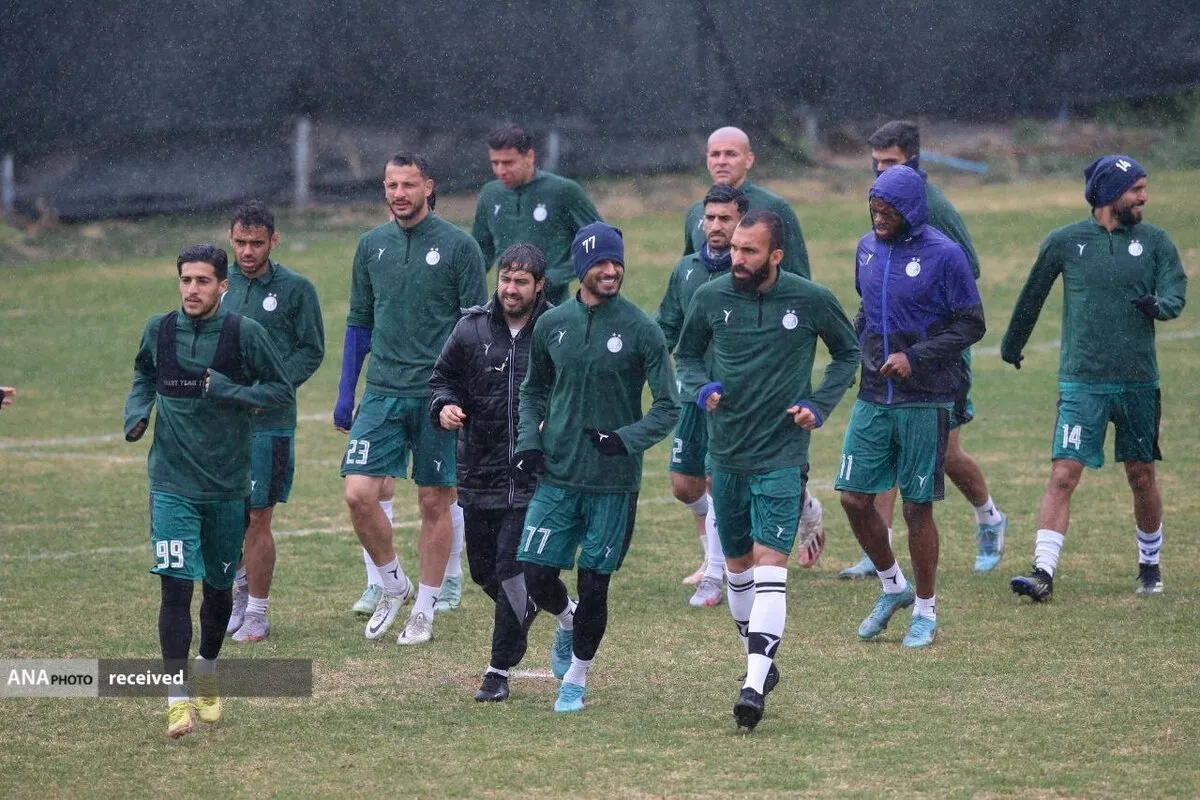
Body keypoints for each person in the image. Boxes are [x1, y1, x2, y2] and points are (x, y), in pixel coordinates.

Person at [676, 209, 859, 731]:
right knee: (738, 572)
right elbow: (686, 357)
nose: (736, 257)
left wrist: (818, 405)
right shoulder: (709, 297)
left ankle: (753, 687)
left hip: (782, 455)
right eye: (735, 247)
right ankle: (761, 659)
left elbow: (847, 354)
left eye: (748, 251)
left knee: (770, 568)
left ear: (775, 256)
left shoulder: (811, 299)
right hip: (727, 456)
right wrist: (701, 389)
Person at [123, 244, 293, 738]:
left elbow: (280, 392)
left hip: (226, 486)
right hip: (171, 485)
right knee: (175, 588)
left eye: (202, 281)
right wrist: (137, 412)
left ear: (223, 286)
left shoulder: (245, 334)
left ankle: (207, 670)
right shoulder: (159, 330)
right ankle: (176, 699)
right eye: (186, 280)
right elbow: (143, 374)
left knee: (217, 591)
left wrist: (228, 390)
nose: (192, 290)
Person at [1002, 155, 1187, 601]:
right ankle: (1042, 573)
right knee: (1064, 473)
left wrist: (1159, 306)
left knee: (1141, 476)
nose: (1144, 197)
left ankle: (1149, 564)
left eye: (1144, 188)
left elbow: (1176, 292)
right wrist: (1011, 345)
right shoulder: (1065, 241)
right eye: (1136, 189)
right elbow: (1032, 295)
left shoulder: (1156, 242)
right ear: (1109, 194)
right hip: (1081, 382)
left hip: (1138, 382)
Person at [513, 221, 678, 713]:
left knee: (594, 583)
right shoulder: (551, 324)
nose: (611, 271)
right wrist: (528, 442)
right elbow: (533, 391)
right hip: (557, 475)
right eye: (601, 262)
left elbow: (668, 406)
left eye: (616, 262)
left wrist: (624, 440)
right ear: (582, 267)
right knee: (536, 574)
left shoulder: (642, 330)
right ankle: (567, 620)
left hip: (612, 484)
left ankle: (576, 680)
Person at [839, 120, 1008, 578]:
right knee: (888, 449)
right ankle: (881, 551)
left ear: (914, 159)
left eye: (890, 162)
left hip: (938, 354)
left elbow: (966, 270)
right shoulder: (880, 214)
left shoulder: (934, 208)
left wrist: (922, 326)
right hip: (889, 361)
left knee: (947, 456)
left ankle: (989, 516)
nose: (881, 171)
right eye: (876, 164)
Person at [336, 152, 487, 646]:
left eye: (408, 184)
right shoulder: (370, 246)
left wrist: (465, 396)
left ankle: (425, 607)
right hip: (382, 391)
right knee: (358, 494)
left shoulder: (460, 247)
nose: (399, 194)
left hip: (436, 395)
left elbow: (476, 330)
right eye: (391, 185)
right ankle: (393, 584)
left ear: (429, 187)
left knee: (433, 501)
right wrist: (346, 392)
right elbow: (359, 323)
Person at [836, 166, 985, 651]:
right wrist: (857, 351)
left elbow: (972, 324)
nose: (878, 219)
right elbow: (866, 309)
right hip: (873, 395)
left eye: (888, 211)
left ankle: (925, 610)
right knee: (853, 498)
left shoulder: (945, 255)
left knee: (917, 507)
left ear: (912, 211)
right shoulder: (866, 248)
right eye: (874, 210)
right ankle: (892, 585)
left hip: (926, 397)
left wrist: (915, 357)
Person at [429, 242, 552, 702]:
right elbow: (442, 379)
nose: (510, 289)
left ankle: (497, 671)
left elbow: (576, 388)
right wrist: (444, 407)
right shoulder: (470, 328)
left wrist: (553, 422)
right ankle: (538, 607)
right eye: (505, 279)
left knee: (509, 566)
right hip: (479, 470)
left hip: (533, 475)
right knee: (483, 570)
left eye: (521, 281)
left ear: (539, 286)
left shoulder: (556, 330)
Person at [221, 201, 325, 643]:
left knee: (258, 516)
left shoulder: (296, 289)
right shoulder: (218, 283)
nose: (248, 252)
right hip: (223, 423)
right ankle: (239, 595)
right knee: (227, 516)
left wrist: (271, 389)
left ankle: (258, 612)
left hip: (270, 424)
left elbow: (311, 350)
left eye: (257, 243)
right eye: (240, 242)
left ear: (273, 241)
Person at [657, 183, 747, 606]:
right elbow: (667, 326)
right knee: (684, 484)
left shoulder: (749, 271)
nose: (715, 226)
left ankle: (715, 571)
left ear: (742, 222)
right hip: (691, 391)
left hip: (732, 397)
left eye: (725, 218)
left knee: (716, 477)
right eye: (709, 218)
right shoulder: (686, 269)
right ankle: (802, 506)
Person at [472, 123, 603, 305]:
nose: (501, 170)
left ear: (529, 157)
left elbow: (600, 241)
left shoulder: (563, 190)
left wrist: (554, 277)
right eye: (495, 163)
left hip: (552, 305)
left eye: (508, 163)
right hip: (507, 305)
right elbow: (480, 252)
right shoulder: (490, 194)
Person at [682, 126, 811, 279]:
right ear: (707, 160)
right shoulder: (696, 212)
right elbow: (688, 271)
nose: (721, 161)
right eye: (715, 155)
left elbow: (798, 277)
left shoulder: (774, 207)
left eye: (731, 154)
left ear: (749, 160)